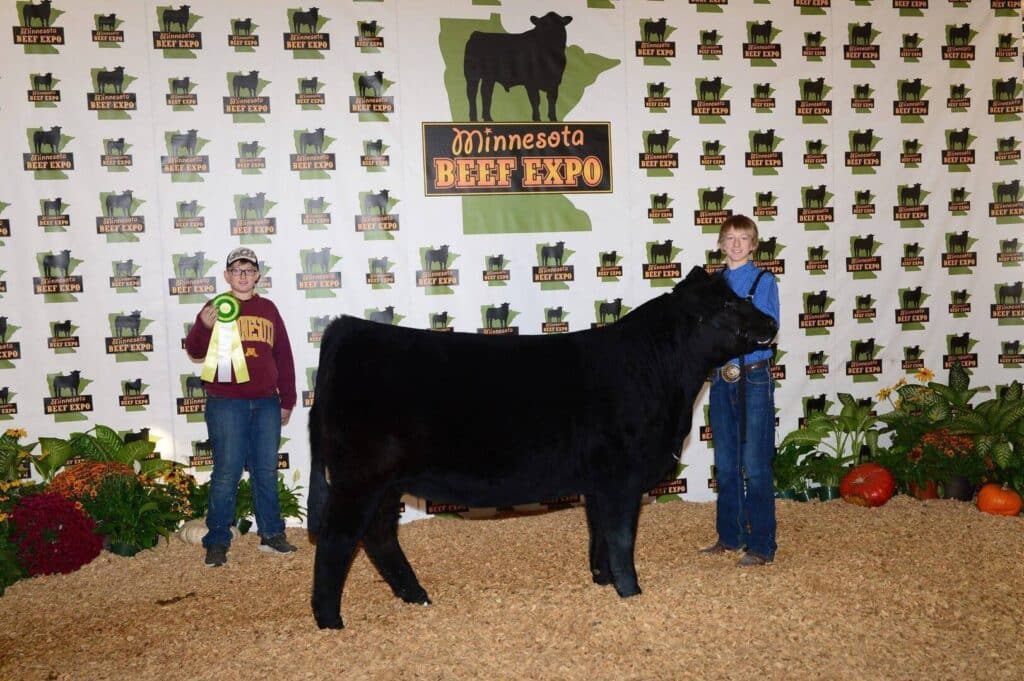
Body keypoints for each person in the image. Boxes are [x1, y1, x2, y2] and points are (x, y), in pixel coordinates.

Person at [185, 247, 298, 567]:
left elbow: (283, 356)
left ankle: (272, 534)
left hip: (265, 402)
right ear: (227, 276)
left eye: (249, 270)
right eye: (237, 270)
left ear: (258, 275)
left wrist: (287, 399)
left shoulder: (269, 309)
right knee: (227, 472)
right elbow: (194, 350)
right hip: (226, 402)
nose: (243, 275)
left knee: (266, 470)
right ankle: (218, 539)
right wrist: (202, 327)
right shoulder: (215, 308)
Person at [701, 215, 780, 567]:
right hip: (722, 376)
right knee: (727, 463)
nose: (736, 244)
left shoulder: (764, 280)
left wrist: (727, 336)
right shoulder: (712, 283)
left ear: (753, 244)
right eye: (730, 238)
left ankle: (762, 544)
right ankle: (730, 536)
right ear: (720, 243)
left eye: (743, 238)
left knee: (755, 463)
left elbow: (767, 330)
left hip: (753, 375)